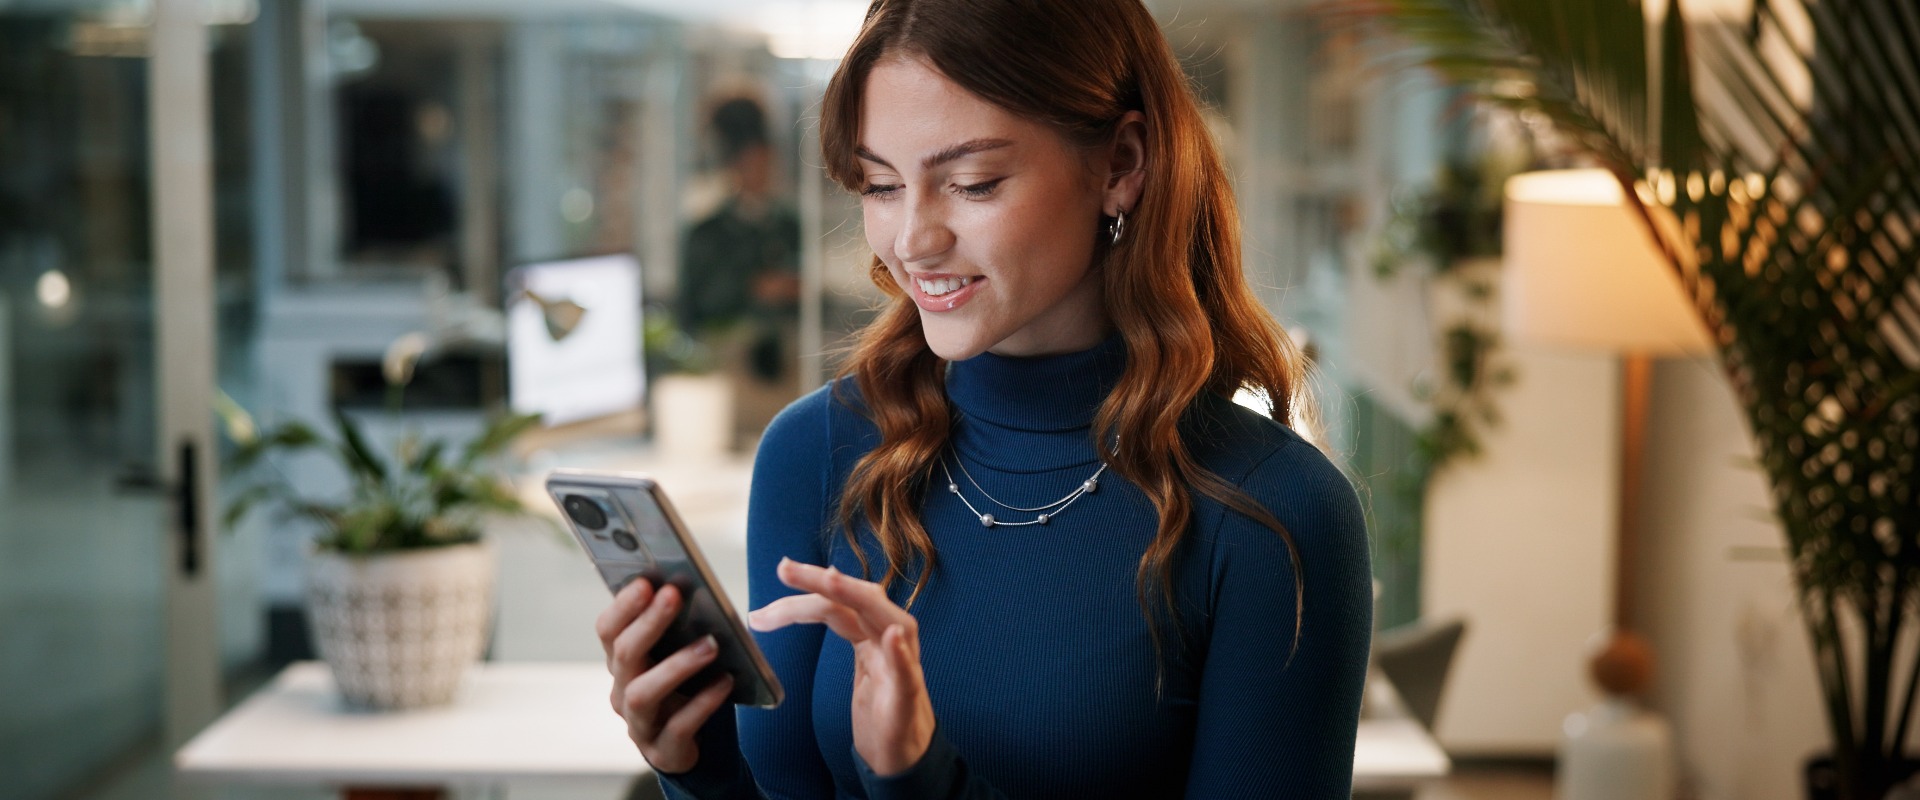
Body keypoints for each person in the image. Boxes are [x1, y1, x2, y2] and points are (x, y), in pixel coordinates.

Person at [597, 1, 1374, 797]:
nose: (912, 240)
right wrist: (697, 768)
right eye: (880, 185)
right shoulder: (817, 451)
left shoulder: (1274, 513)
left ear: (1120, 164)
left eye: (972, 184)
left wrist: (922, 780)